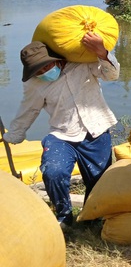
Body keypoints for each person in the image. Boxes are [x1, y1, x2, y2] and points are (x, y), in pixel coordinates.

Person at [5, 35, 118, 230]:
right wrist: (14, 134)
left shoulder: (82, 64)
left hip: (97, 129)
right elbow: (28, 109)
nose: (43, 72)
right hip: (62, 134)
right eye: (38, 70)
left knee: (99, 179)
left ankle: (92, 217)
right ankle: (64, 215)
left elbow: (111, 75)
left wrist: (102, 53)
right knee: (53, 172)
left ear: (56, 59)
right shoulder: (34, 83)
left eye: (46, 67)